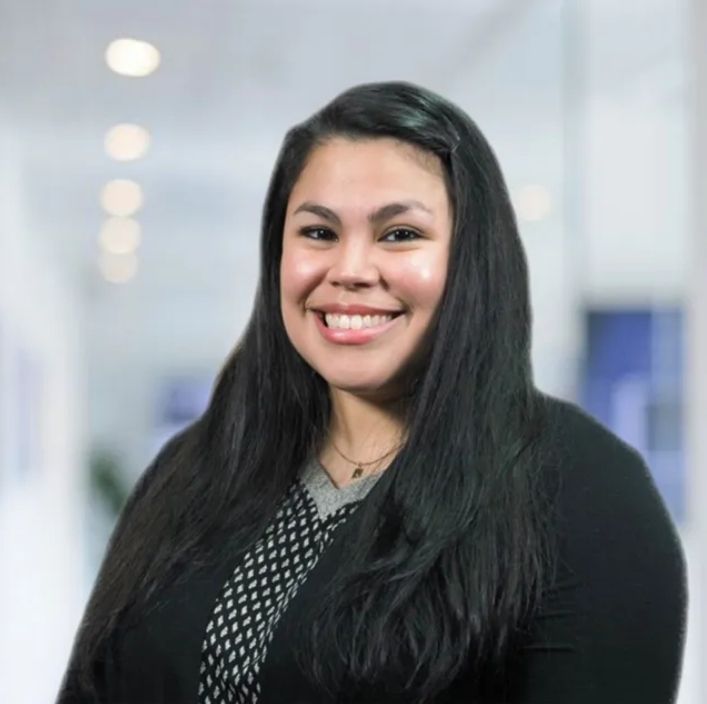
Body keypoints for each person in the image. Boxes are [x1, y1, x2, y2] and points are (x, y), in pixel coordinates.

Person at [57, 81, 687, 704]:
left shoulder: (584, 490)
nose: (351, 269)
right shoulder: (196, 468)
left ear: (473, 261)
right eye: (319, 233)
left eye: (399, 234)